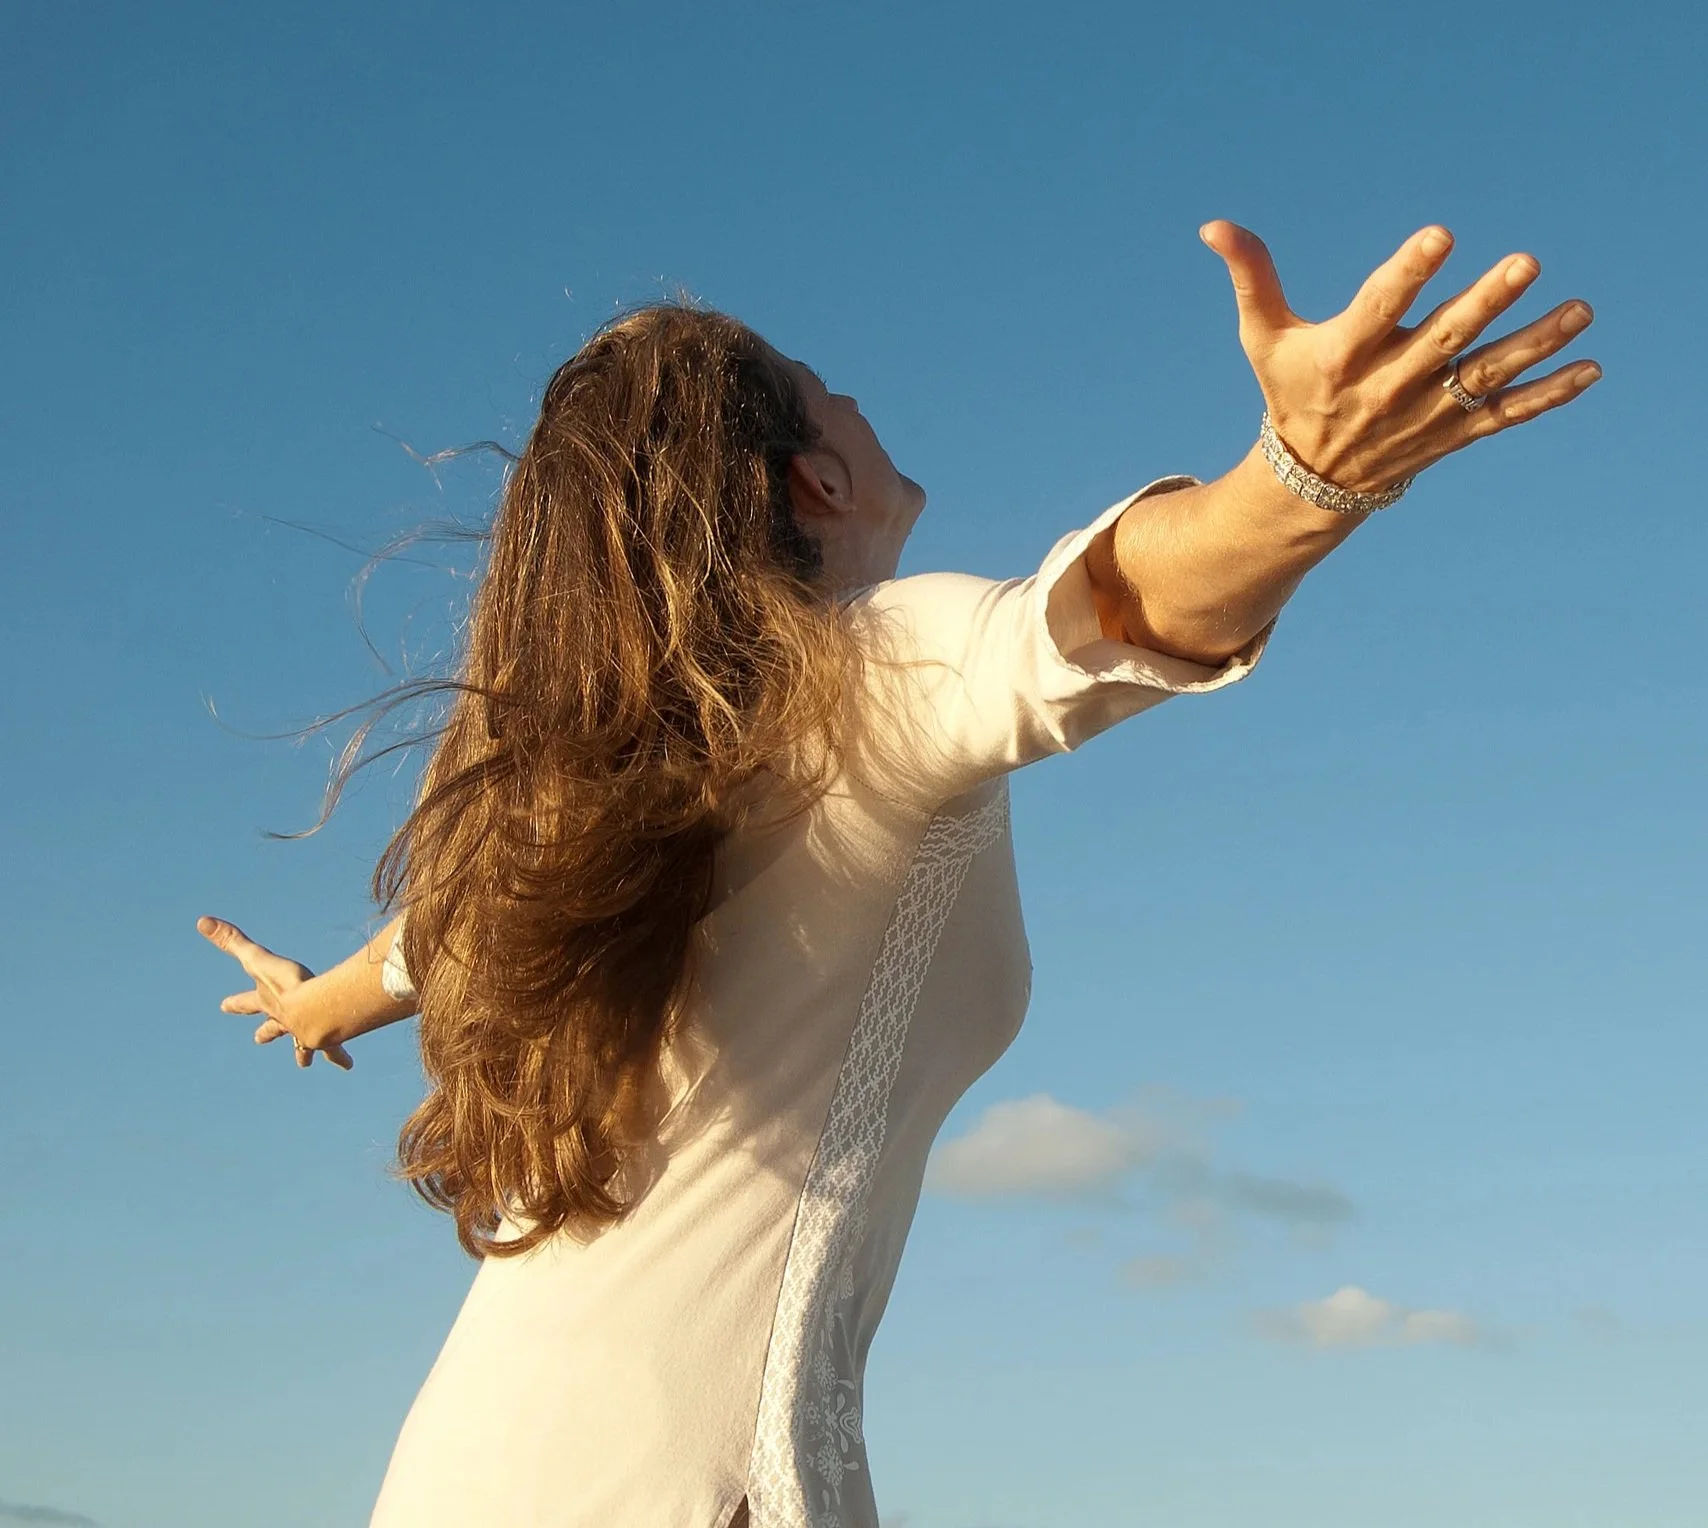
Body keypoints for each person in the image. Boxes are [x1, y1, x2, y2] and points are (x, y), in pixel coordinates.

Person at [197, 220, 1599, 1528]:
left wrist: (311, 1004)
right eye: (833, 392)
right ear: (817, 479)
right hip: (693, 1484)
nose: (864, 400)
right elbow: (1106, 614)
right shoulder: (871, 659)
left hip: (465, 1466)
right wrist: (1301, 476)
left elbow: (422, 950)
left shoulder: (590, 814)